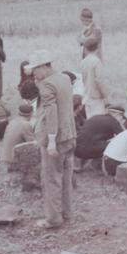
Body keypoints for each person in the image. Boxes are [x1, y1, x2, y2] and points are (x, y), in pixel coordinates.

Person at [24, 50, 76, 229]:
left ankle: (53, 219)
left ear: (44, 66)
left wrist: (52, 140)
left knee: (51, 178)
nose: (34, 74)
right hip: (69, 134)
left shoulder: (46, 85)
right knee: (66, 176)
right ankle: (67, 212)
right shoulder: (65, 78)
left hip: (54, 138)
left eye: (36, 70)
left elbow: (51, 113)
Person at [74, 104, 126, 170]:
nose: (122, 119)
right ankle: (104, 167)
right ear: (117, 115)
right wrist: (121, 125)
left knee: (90, 140)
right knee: (115, 143)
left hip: (76, 149)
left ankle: (80, 166)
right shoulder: (113, 121)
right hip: (88, 150)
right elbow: (124, 137)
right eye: (122, 116)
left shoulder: (96, 117)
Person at [81, 37, 111, 119]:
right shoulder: (96, 61)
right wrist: (105, 96)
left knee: (90, 120)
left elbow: (83, 79)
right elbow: (99, 81)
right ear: (97, 48)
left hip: (87, 95)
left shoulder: (83, 62)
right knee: (98, 121)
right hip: (96, 97)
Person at [0, 104, 36, 172]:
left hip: (6, 156)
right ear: (31, 114)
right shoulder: (26, 124)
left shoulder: (12, 121)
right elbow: (32, 143)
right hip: (14, 158)